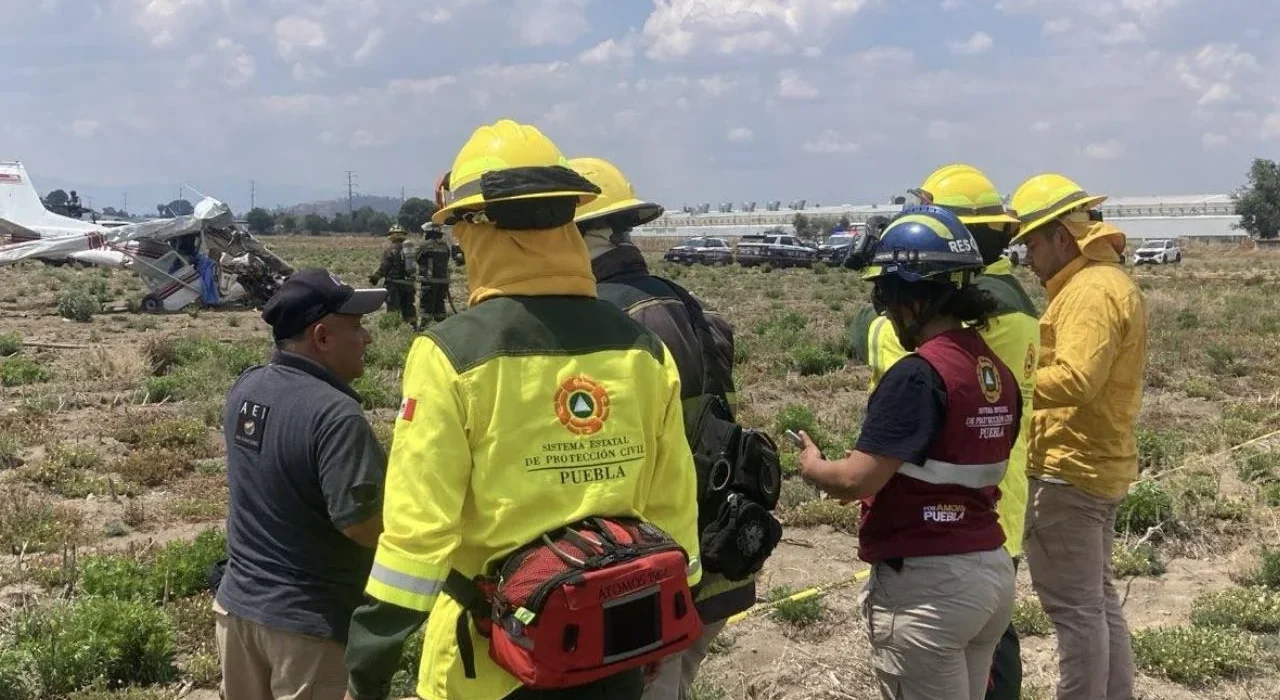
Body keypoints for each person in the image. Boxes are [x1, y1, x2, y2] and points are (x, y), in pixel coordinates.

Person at [342, 119, 703, 700]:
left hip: (490, 665)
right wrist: (664, 628)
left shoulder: (447, 354)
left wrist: (368, 667)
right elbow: (674, 507)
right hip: (614, 653)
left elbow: (417, 535)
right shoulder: (643, 349)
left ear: (477, 228)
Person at [796, 205, 1020, 700]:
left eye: (884, 297)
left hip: (929, 587)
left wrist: (813, 467)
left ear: (912, 298)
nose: (884, 312)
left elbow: (856, 480)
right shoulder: (995, 372)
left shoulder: (918, 375)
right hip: (990, 570)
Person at [568, 156, 766, 700]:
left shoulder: (597, 318)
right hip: (715, 548)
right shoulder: (681, 300)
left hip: (653, 567)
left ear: (578, 236)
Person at [847, 164, 1038, 700]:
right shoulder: (1009, 304)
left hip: (935, 530)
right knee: (989, 652)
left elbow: (880, 347)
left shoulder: (932, 343)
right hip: (991, 509)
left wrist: (820, 468)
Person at [216, 268, 390, 700]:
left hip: (236, 610)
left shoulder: (247, 387)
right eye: (356, 326)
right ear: (322, 337)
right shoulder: (336, 416)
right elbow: (360, 524)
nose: (367, 338)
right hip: (307, 630)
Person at [1008, 173, 1148, 700]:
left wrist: (1005, 386)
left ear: (1062, 237)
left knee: (1076, 612)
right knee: (1097, 603)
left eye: (1032, 243)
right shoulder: (1103, 283)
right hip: (1097, 464)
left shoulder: (1090, 292)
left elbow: (1077, 380)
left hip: (1069, 470)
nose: (1026, 256)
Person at [369, 224, 416, 324]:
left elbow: (385, 267)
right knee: (408, 308)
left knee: (393, 309)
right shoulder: (409, 249)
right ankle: (412, 327)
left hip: (394, 285)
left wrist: (375, 277)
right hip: (408, 285)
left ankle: (394, 328)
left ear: (391, 236)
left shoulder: (390, 250)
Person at [415, 221, 452, 327]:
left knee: (426, 308)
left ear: (429, 233)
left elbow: (416, 257)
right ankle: (443, 328)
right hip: (443, 282)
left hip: (429, 281)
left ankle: (422, 329)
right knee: (440, 307)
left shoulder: (424, 245)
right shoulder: (445, 246)